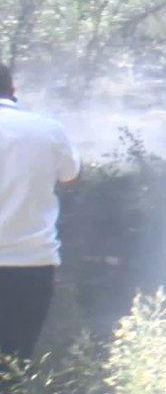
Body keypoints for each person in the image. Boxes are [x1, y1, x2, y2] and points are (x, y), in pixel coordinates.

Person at [0, 64, 80, 367]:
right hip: (32, 263)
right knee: (16, 361)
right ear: (13, 89)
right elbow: (70, 175)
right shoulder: (48, 129)